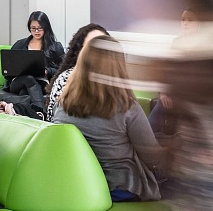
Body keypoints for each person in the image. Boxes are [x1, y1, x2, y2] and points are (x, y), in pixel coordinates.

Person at [53, 35, 165, 202]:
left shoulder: (62, 103)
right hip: (119, 188)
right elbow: (153, 157)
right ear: (118, 67)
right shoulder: (126, 107)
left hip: (78, 186)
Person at [45, 23, 108, 122]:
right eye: (90, 47)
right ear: (79, 51)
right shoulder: (66, 79)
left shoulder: (114, 80)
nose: (96, 53)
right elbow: (53, 119)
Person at [4, 11, 65, 112]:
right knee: (28, 78)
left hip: (42, 82)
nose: (36, 31)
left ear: (46, 27)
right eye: (33, 28)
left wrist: (47, 71)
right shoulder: (20, 44)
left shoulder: (55, 47)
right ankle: (42, 112)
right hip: (19, 81)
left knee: (24, 92)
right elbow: (8, 69)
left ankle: (24, 113)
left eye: (40, 28)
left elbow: (63, 70)